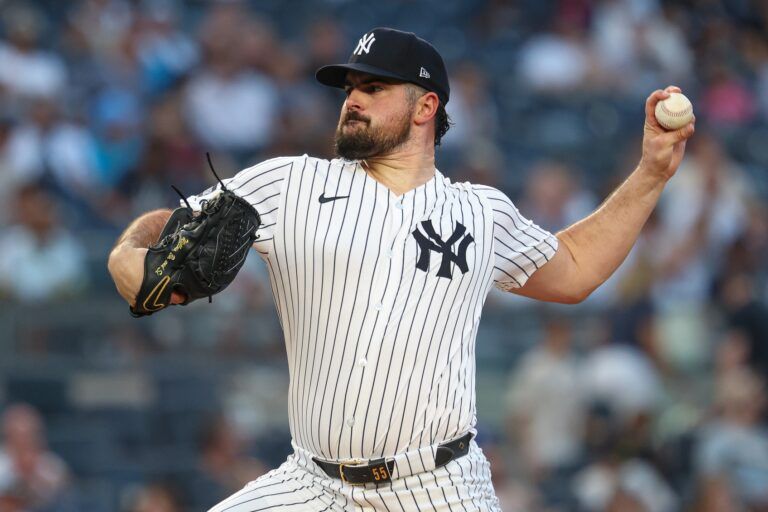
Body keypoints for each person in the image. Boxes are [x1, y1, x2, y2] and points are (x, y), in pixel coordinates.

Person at [108, 27, 694, 511]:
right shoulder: (287, 182)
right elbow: (166, 236)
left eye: (373, 87)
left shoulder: (479, 210)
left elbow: (574, 270)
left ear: (426, 106)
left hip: (439, 487)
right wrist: (129, 250)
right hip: (312, 485)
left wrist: (650, 175)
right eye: (349, 87)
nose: (352, 98)